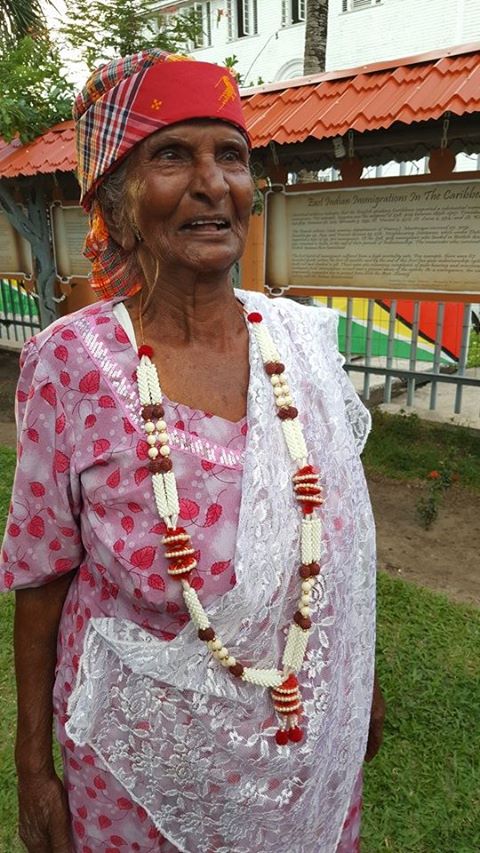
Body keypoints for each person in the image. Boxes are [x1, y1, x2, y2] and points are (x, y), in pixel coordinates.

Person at [1, 49, 384, 853]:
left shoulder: (301, 345)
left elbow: (340, 555)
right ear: (117, 192)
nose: (214, 184)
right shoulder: (73, 363)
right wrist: (31, 767)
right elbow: (40, 576)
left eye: (232, 156)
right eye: (173, 154)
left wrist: (360, 685)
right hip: (132, 773)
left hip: (297, 749)